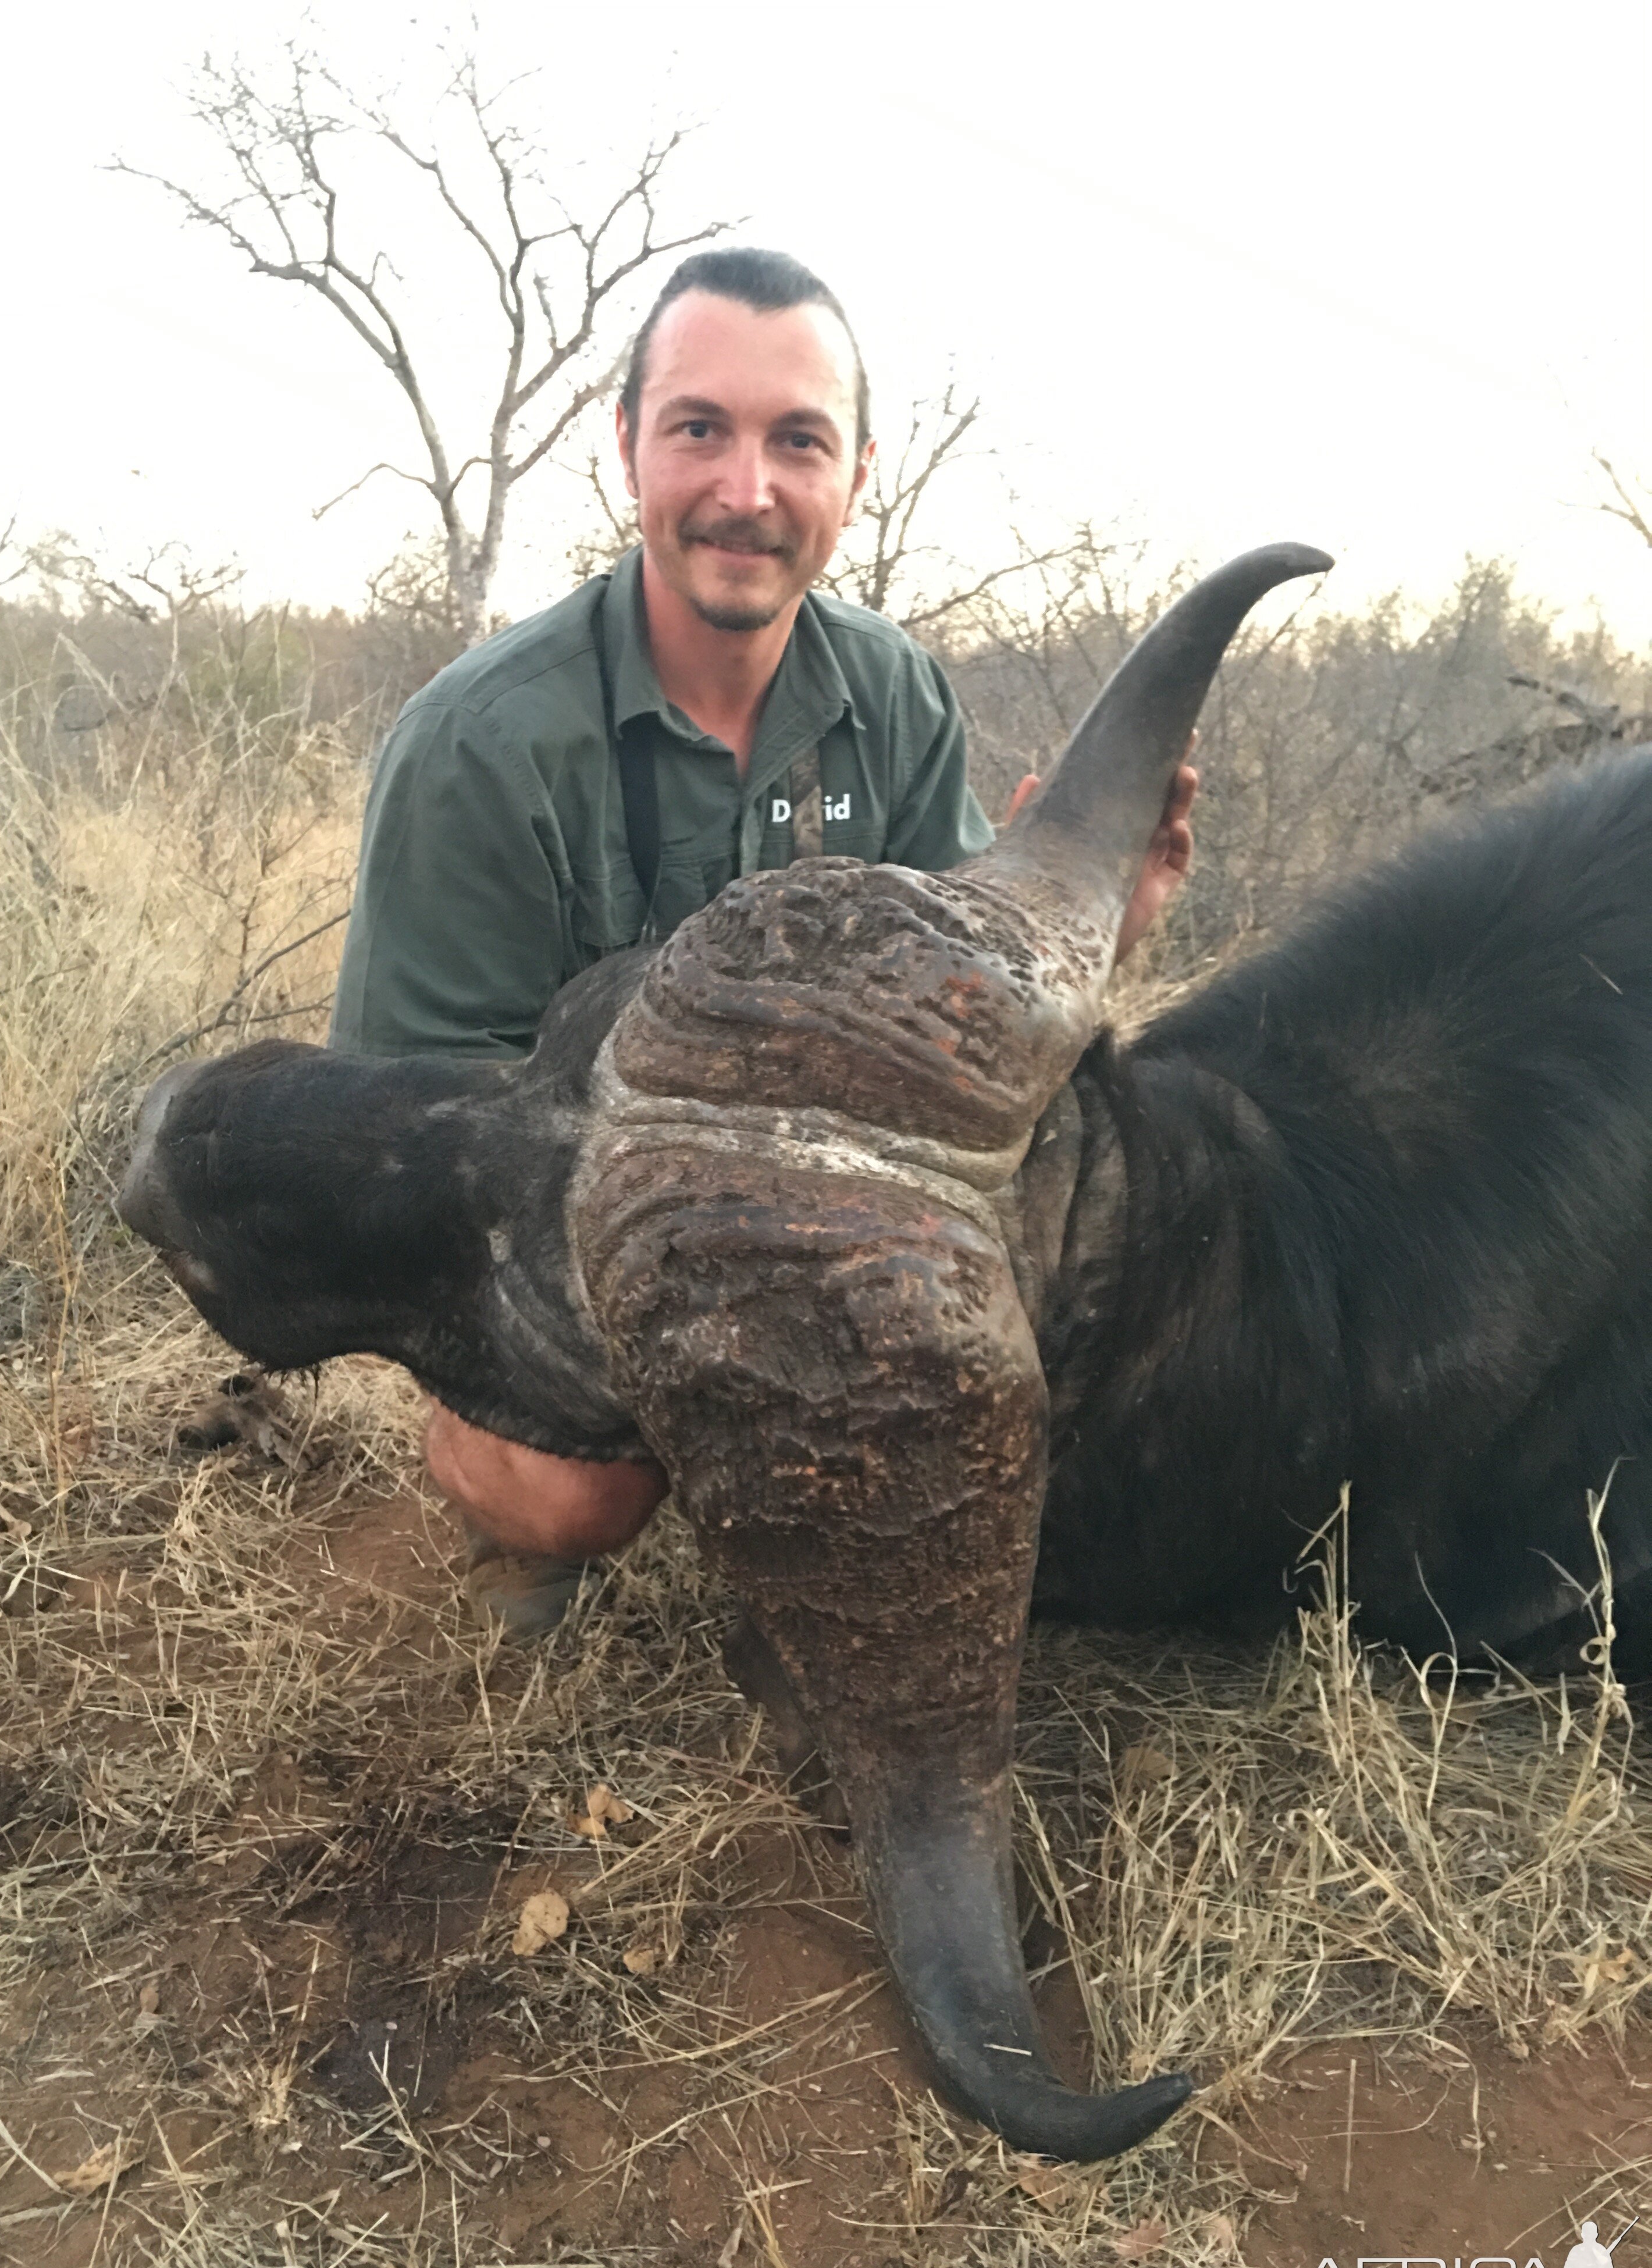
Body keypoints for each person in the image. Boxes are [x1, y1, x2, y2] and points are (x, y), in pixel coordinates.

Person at [327, 246, 1197, 1625]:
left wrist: (1093, 940)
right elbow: (421, 1145)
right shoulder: (476, 745)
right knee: (576, 1491)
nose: (747, 491)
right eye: (699, 430)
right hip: (570, 1240)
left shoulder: (893, 691)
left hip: (818, 1219)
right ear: (627, 448)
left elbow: (951, 1053)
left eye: (798, 440)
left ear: (856, 474)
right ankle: (516, 1506)